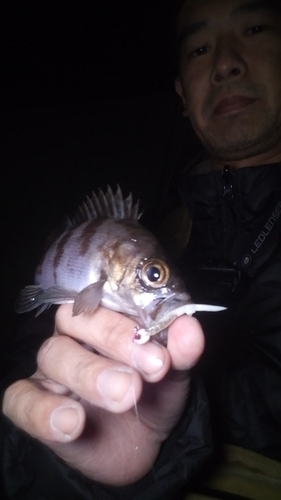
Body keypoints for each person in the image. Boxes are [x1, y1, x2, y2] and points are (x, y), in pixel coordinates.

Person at [2, 0, 281, 498]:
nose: (226, 62)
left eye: (255, 27)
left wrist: (179, 416)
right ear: (180, 92)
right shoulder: (162, 221)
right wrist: (68, 451)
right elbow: (22, 380)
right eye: (199, 47)